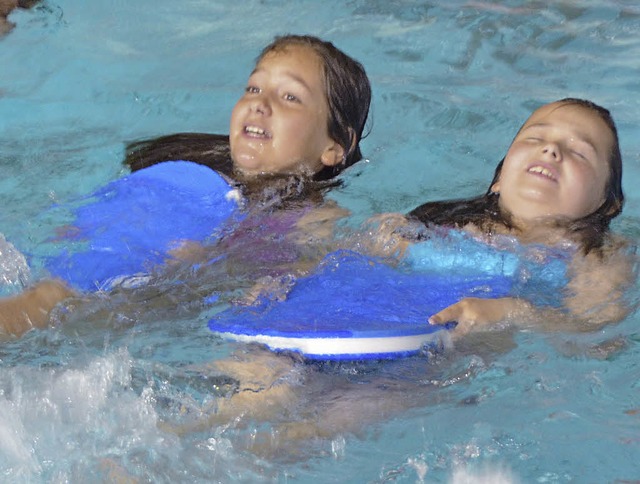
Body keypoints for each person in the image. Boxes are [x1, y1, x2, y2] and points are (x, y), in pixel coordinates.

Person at [0, 34, 372, 338]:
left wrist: (230, 267)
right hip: (120, 253)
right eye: (253, 88)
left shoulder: (313, 213)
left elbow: (311, 263)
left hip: (161, 285)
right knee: (50, 297)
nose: (260, 104)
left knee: (56, 302)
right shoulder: (192, 169)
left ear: (334, 147)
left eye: (290, 96)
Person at [395, 97, 634, 337]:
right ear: (499, 179)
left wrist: (514, 312)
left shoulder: (595, 259)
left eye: (579, 152)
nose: (551, 149)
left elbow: (598, 333)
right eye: (535, 138)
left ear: (606, 203)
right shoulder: (438, 223)